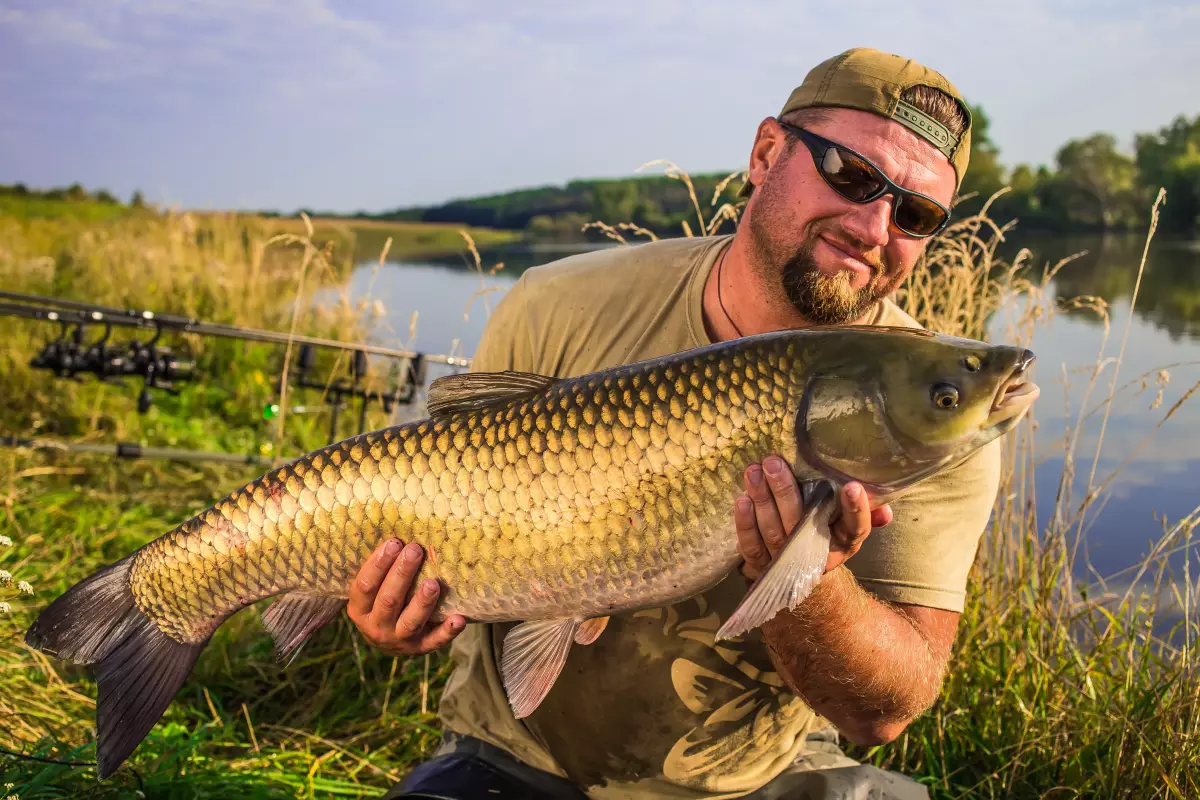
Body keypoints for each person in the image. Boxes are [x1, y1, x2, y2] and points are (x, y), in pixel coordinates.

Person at [351, 47, 1000, 800]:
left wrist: (808, 580)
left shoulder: (930, 402)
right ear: (766, 154)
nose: (872, 224)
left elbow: (883, 711)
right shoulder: (554, 306)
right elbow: (453, 550)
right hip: (512, 754)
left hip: (751, 777)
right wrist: (406, 611)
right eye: (851, 175)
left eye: (916, 214)